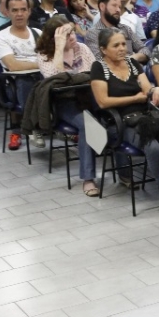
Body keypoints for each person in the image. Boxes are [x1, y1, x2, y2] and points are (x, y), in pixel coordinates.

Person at [90, 27, 159, 216]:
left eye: (124, 44)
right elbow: (103, 102)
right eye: (116, 45)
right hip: (120, 121)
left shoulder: (132, 63)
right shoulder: (98, 68)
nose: (122, 48)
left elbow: (147, 89)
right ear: (103, 49)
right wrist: (135, 98)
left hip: (145, 117)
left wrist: (156, 90)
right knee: (153, 148)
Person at [34, 16, 98, 196]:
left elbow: (95, 74)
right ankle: (88, 178)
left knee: (114, 115)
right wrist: (59, 48)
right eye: (66, 34)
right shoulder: (44, 55)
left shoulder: (82, 48)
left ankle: (123, 173)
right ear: (53, 37)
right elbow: (55, 80)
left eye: (72, 32)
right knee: (88, 125)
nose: (72, 37)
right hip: (64, 103)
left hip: (88, 98)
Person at [0, 0, 42, 149]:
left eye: (23, 9)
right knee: (24, 80)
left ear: (29, 11)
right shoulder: (1, 37)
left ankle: (63, 125)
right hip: (14, 85)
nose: (19, 14)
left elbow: (50, 59)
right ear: (7, 12)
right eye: (15, 10)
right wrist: (40, 64)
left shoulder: (38, 33)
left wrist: (41, 65)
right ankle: (33, 127)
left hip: (41, 79)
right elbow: (13, 65)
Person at [85, 0, 148, 64]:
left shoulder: (125, 29)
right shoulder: (93, 33)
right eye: (114, 5)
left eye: (119, 7)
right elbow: (99, 60)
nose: (118, 10)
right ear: (102, 6)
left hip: (132, 67)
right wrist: (125, 60)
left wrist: (134, 57)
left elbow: (145, 50)